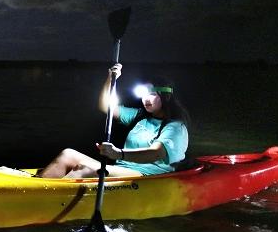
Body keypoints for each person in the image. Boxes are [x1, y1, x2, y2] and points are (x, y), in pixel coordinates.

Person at [38, 64, 190, 178]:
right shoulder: (140, 115)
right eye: (143, 94)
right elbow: (107, 106)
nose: (146, 99)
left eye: (152, 94)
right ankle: (39, 186)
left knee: (84, 168)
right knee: (68, 154)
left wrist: (118, 153)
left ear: (166, 96)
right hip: (122, 168)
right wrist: (111, 80)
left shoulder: (175, 126)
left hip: (146, 175)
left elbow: (156, 153)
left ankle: (50, 200)